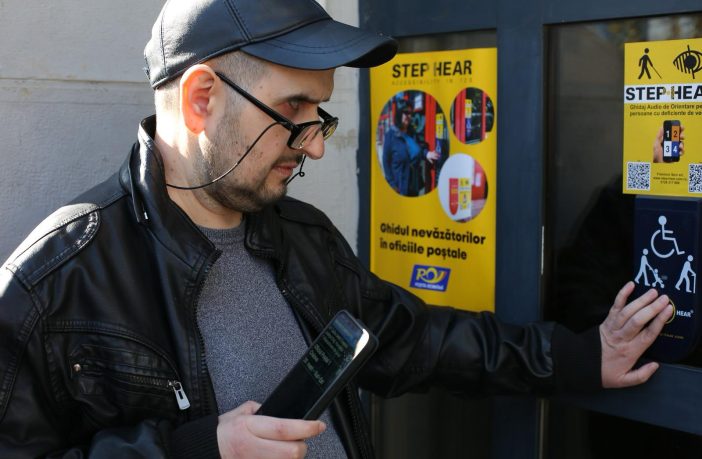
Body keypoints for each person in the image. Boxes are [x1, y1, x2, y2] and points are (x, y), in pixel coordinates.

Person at [0, 0, 672, 458]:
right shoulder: (56, 282)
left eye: (320, 114)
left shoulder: (302, 236)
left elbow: (416, 341)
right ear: (202, 98)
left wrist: (579, 357)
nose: (316, 145)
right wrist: (195, 450)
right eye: (294, 110)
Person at [382, 99, 441, 196]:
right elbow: (386, 161)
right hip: (399, 185)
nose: (409, 116)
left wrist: (426, 154)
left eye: (410, 113)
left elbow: (418, 148)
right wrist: (392, 185)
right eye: (406, 113)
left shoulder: (412, 133)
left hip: (413, 183)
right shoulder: (391, 136)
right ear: (399, 114)